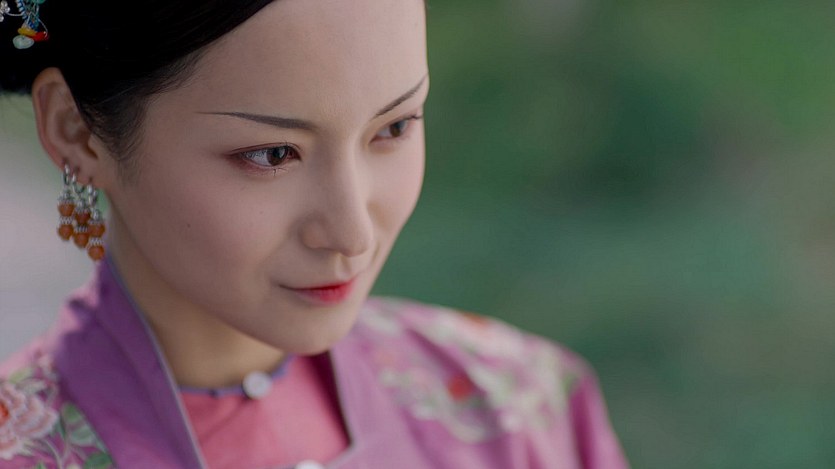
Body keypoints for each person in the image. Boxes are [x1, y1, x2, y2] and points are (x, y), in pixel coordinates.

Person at [0, 0, 629, 467]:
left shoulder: (520, 405)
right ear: (76, 132)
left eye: (395, 127)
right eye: (272, 154)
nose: (352, 234)